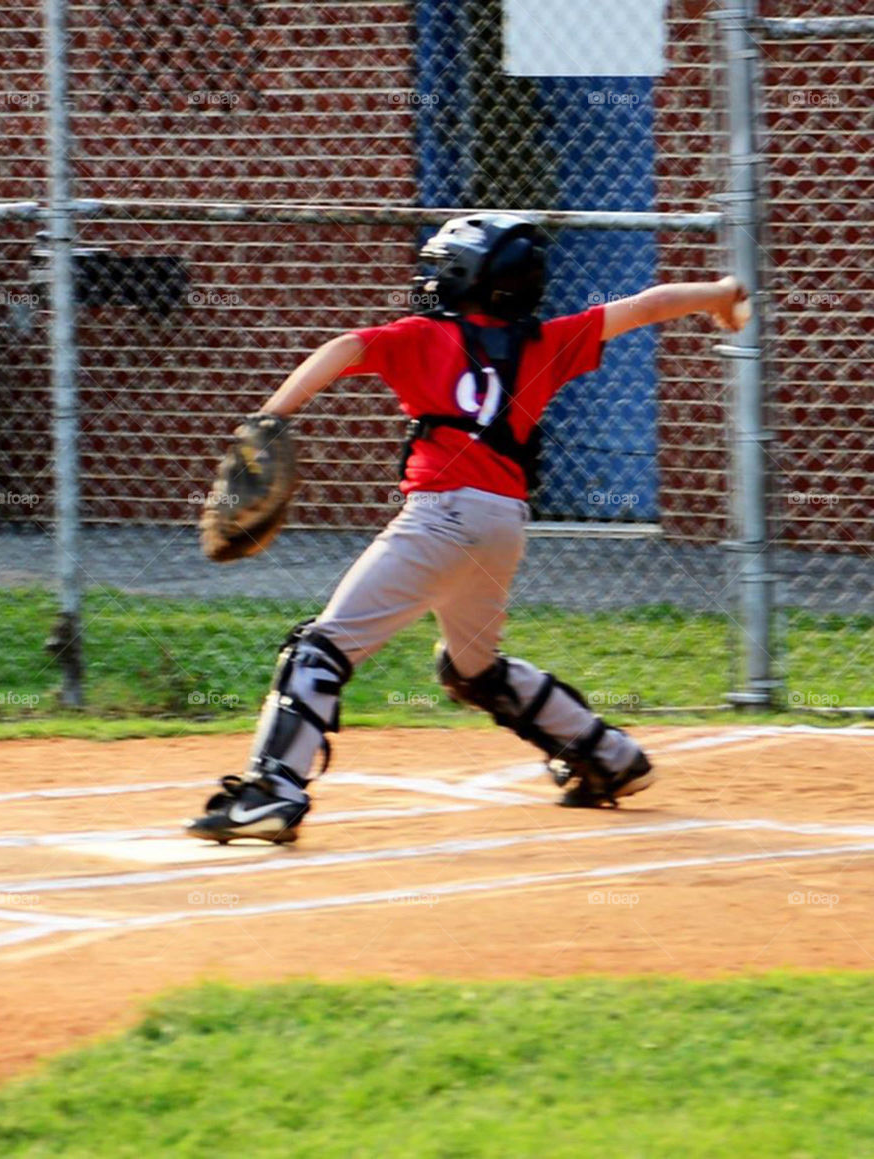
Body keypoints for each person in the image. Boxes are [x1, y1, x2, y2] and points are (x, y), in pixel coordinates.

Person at [187, 213, 748, 844]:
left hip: (439, 518)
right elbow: (646, 306)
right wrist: (720, 294)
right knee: (473, 669)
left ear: (466, 277)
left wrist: (270, 418)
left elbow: (343, 347)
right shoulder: (544, 341)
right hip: (502, 525)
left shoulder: (422, 334)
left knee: (319, 648)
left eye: (441, 267)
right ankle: (608, 757)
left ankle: (271, 792)